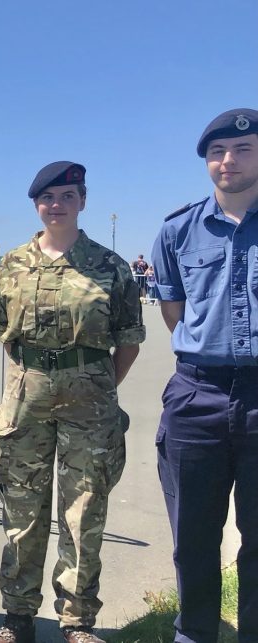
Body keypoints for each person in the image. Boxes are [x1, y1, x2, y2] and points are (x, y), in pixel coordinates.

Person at [0, 162, 144, 643]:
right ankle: (17, 618)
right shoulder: (12, 264)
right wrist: (30, 381)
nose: (57, 205)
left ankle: (76, 621)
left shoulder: (111, 266)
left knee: (83, 513)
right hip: (26, 402)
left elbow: (129, 340)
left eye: (67, 196)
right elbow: (3, 334)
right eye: (48, 197)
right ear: (36, 204)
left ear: (82, 202)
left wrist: (95, 385)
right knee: (22, 512)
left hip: (90, 404)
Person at [150, 108, 258, 643]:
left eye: (242, 150)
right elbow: (175, 312)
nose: (228, 161)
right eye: (217, 152)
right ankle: (194, 632)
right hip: (198, 396)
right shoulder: (177, 230)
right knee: (192, 535)